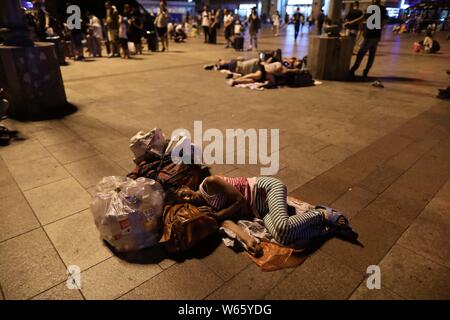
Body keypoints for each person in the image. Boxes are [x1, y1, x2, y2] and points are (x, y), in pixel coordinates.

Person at [173, 176, 357, 254]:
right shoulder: (204, 207)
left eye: (184, 193)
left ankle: (321, 214)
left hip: (266, 189)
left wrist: (218, 214)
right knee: (282, 237)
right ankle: (325, 229)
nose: (188, 198)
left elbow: (240, 201)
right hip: (260, 210)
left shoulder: (209, 183)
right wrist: (247, 240)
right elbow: (226, 222)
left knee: (283, 226)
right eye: (185, 201)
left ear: (185, 186)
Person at [348, 0, 387, 80]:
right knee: (371, 55)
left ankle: (353, 70)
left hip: (369, 35)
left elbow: (362, 18)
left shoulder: (371, 8)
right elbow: (383, 23)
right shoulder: (383, 9)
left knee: (361, 54)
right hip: (376, 36)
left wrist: (351, 23)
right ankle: (366, 72)